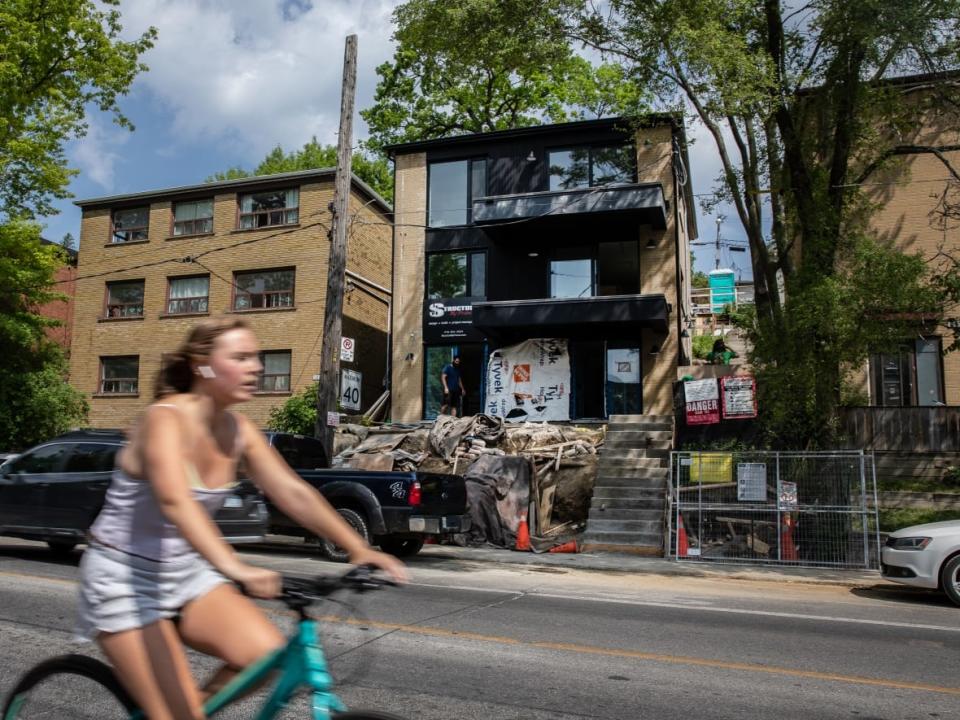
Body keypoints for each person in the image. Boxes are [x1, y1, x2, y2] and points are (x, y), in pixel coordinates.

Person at [76, 316, 407, 720]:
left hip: (186, 573)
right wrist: (237, 568)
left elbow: (291, 491)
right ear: (203, 364)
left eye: (258, 358)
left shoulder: (240, 430)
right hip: (124, 579)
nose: (257, 367)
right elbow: (175, 500)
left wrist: (358, 547)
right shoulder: (163, 420)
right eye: (242, 357)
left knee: (264, 656)